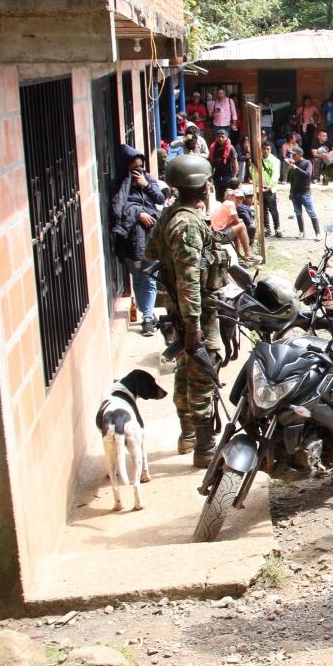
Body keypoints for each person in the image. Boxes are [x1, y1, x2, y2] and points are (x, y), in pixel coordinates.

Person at [146, 155, 230, 467]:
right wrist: (194, 325)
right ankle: (205, 449)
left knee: (185, 373)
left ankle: (188, 436)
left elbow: (152, 254)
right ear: (203, 186)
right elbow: (189, 278)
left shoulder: (171, 215)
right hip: (196, 314)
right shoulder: (187, 226)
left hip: (178, 310)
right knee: (202, 376)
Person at [109, 154, 166, 336]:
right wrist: (138, 213)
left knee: (149, 278)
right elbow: (118, 209)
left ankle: (147, 318)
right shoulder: (118, 185)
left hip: (150, 238)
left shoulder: (147, 179)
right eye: (134, 168)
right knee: (139, 279)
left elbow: (160, 198)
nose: (138, 171)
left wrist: (146, 185)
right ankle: (146, 312)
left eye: (141, 167)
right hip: (130, 240)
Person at [209, 185, 255, 261]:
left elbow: (234, 222)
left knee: (237, 229)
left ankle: (238, 255)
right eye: (237, 197)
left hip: (216, 234)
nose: (238, 200)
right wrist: (240, 221)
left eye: (241, 199)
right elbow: (237, 221)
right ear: (232, 197)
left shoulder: (227, 204)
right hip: (216, 235)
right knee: (241, 226)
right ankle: (248, 253)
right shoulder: (230, 203)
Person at [284, 147, 320, 239]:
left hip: (305, 192)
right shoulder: (293, 164)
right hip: (295, 193)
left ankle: (318, 233)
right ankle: (301, 232)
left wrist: (296, 168)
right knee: (298, 213)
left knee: (311, 213)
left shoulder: (307, 163)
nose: (293, 156)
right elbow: (291, 180)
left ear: (300, 154)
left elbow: (308, 175)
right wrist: (291, 192)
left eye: (295, 155)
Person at [249, 147, 282, 238]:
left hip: (270, 189)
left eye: (268, 149)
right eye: (264, 149)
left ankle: (277, 228)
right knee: (263, 210)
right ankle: (267, 229)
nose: (266, 151)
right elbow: (252, 171)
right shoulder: (257, 160)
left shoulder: (275, 161)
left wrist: (269, 186)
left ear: (270, 150)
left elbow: (276, 175)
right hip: (260, 188)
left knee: (273, 210)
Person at [207, 129, 238, 202]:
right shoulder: (213, 147)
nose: (220, 139)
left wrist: (234, 176)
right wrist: (209, 177)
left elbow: (235, 162)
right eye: (219, 137)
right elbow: (211, 162)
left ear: (226, 138)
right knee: (218, 195)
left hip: (228, 174)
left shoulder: (231, 148)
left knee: (227, 194)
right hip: (217, 174)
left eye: (223, 137)